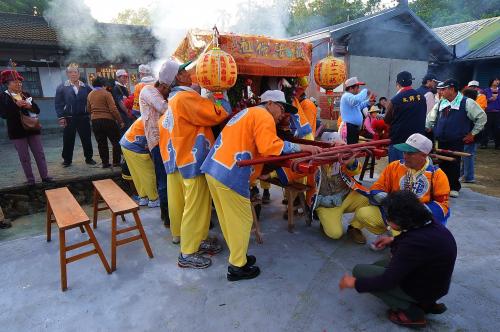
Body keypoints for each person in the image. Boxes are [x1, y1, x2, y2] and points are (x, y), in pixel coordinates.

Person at [201, 90, 322, 281]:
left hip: (215, 169)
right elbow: (270, 147)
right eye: (281, 108)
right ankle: (237, 267)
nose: (283, 114)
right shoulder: (263, 115)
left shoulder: (249, 112)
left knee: (228, 220)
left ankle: (238, 257)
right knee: (241, 220)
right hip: (231, 173)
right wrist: (304, 147)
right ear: (270, 103)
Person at [339, 191, 457, 328]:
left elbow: (386, 282)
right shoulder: (429, 223)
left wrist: (355, 283)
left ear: (402, 220)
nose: (387, 221)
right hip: (435, 284)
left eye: (389, 218)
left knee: (360, 272)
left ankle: (412, 312)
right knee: (378, 265)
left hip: (423, 289)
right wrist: (393, 240)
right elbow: (412, 236)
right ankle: (427, 303)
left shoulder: (413, 244)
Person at [158, 59, 231, 269]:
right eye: (185, 71)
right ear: (178, 77)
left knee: (188, 205)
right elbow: (215, 113)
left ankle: (195, 239)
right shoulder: (185, 97)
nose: (190, 74)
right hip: (192, 157)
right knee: (196, 207)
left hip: (180, 158)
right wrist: (220, 96)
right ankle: (188, 252)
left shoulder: (173, 99)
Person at [350, 133, 451, 244]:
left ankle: (400, 240)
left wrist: (416, 211)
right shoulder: (394, 166)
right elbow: (378, 187)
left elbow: (443, 205)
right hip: (396, 216)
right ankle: (390, 235)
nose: (405, 156)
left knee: (411, 248)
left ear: (424, 155)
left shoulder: (437, 175)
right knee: (363, 214)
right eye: (404, 151)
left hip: (418, 221)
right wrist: (389, 201)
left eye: (410, 153)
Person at [426, 79, 486, 198]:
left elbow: (481, 118)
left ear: (452, 89)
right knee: (441, 164)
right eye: (440, 89)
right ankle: (442, 185)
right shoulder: (441, 103)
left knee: (454, 163)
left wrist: (472, 133)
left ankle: (454, 187)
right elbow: (430, 118)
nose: (441, 92)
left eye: (443, 89)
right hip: (441, 138)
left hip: (456, 139)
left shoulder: (467, 102)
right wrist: (427, 127)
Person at [312, 132, 371, 243]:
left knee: (369, 197)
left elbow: (356, 169)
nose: (335, 150)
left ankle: (354, 227)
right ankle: (323, 218)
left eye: (338, 147)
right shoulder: (314, 160)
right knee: (335, 234)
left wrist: (350, 156)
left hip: (346, 196)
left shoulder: (344, 156)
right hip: (326, 204)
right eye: (332, 146)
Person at [139, 60, 175, 226]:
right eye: (169, 89)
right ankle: (167, 216)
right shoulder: (148, 90)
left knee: (171, 178)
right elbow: (164, 108)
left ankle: (171, 213)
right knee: (163, 180)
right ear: (164, 86)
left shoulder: (158, 92)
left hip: (168, 141)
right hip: (158, 142)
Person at [0, 70, 52, 185]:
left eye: (19, 82)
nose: (18, 84)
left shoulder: (26, 94)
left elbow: (37, 110)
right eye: (14, 82)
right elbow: (3, 114)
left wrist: (30, 106)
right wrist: (15, 106)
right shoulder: (3, 97)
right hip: (17, 131)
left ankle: (45, 176)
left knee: (39, 153)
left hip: (33, 128)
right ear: (7, 83)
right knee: (24, 157)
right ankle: (30, 179)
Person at [55, 63, 96, 167]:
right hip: (69, 118)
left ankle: (89, 158)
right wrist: (61, 117)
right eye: (70, 72)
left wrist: (91, 113)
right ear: (67, 74)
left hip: (83, 117)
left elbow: (92, 101)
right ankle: (67, 160)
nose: (73, 74)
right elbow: (58, 103)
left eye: (75, 72)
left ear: (79, 73)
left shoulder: (86, 87)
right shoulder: (62, 87)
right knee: (68, 139)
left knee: (86, 138)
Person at [384, 71, 427, 162]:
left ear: (397, 83)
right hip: (417, 142)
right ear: (411, 82)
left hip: (399, 142)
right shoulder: (422, 97)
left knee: (397, 170)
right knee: (414, 171)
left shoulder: (396, 100)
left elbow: (387, 119)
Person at [120, 117, 159, 208]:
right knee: (149, 174)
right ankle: (153, 199)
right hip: (136, 147)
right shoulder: (155, 118)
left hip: (126, 144)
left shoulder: (146, 115)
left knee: (138, 174)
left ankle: (143, 197)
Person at [87, 77, 124, 168]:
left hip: (95, 121)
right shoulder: (106, 94)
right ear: (103, 85)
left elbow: (88, 109)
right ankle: (116, 162)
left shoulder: (90, 94)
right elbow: (113, 109)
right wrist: (120, 121)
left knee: (101, 143)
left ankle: (105, 163)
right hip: (108, 120)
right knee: (116, 141)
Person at [340, 77, 373, 144]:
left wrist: (368, 102)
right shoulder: (347, 96)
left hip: (353, 127)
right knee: (351, 147)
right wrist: (365, 91)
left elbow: (359, 106)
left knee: (353, 146)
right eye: (357, 87)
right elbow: (356, 100)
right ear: (351, 88)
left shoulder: (351, 97)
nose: (358, 90)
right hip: (349, 127)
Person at [461, 87, 483, 184]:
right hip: (469, 135)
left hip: (471, 136)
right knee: (464, 156)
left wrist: (471, 134)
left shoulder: (472, 107)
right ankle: (463, 175)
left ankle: (469, 176)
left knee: (468, 156)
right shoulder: (471, 106)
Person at [480, 77, 500, 149]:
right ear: (491, 82)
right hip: (488, 112)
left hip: (498, 112)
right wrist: (489, 99)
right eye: (495, 80)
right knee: (486, 128)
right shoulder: (486, 91)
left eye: (498, 80)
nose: (497, 81)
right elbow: (482, 100)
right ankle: (484, 144)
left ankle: (497, 145)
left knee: (497, 128)